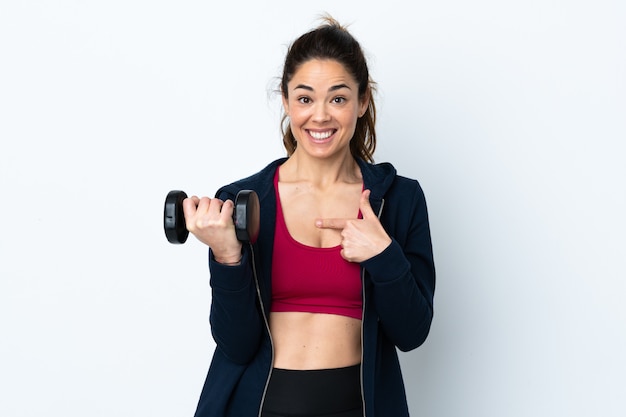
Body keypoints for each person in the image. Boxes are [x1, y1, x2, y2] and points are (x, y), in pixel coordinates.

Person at [183, 15, 435, 417]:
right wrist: (228, 258)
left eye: (337, 98)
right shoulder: (242, 201)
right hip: (258, 406)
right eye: (304, 98)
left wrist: (384, 255)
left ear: (362, 100)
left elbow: (412, 333)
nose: (320, 116)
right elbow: (237, 344)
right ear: (285, 101)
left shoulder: (400, 200)